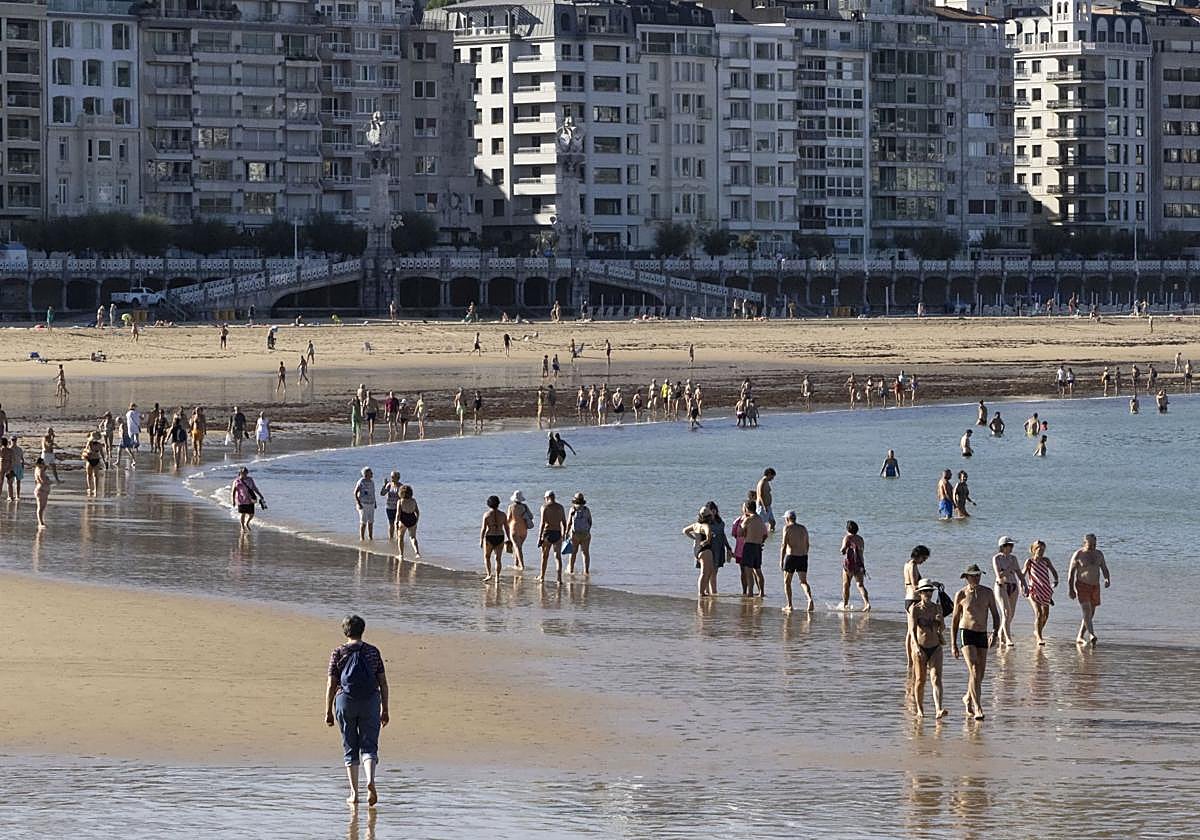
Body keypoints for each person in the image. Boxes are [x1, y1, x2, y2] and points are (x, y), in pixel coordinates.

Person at [325, 615, 389, 808]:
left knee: (350, 746)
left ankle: (354, 793)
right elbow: (383, 683)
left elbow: (331, 684)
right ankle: (370, 780)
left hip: (345, 701)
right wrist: (385, 708)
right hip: (370, 701)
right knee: (369, 746)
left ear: (345, 631)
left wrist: (328, 710)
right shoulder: (372, 651)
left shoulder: (338, 652)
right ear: (363, 630)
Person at [951, 563, 999, 721]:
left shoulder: (987, 592)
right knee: (973, 669)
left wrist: (995, 632)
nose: (976, 578)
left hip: (982, 634)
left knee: (980, 674)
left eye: (978, 575)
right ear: (966, 577)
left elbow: (995, 614)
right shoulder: (961, 594)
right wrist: (953, 644)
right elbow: (955, 620)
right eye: (973, 575)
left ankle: (967, 697)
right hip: (967, 633)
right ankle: (978, 707)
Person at [908, 579, 948, 719]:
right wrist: (916, 647)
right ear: (920, 593)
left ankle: (938, 709)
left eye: (930, 591)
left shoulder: (937, 608)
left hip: (935, 646)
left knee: (936, 678)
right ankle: (920, 709)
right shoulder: (916, 609)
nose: (928, 594)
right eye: (925, 591)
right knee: (920, 680)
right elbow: (912, 631)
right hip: (920, 648)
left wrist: (940, 622)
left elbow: (942, 628)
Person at [1067, 533, 1111, 645]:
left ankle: (1080, 636)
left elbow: (1104, 568)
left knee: (1090, 613)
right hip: (1082, 585)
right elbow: (1071, 574)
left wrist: (1107, 579)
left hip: (1095, 586)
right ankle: (1092, 634)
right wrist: (1071, 589)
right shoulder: (1078, 554)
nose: (1092, 546)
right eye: (1090, 544)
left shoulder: (1099, 554)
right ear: (1084, 543)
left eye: (1094, 544)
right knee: (1086, 610)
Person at [1022, 540, 1060, 645]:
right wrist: (1023, 585)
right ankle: (1039, 637)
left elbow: (1054, 571)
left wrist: (1056, 580)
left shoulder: (1046, 560)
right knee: (1038, 613)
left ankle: (1037, 631)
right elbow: (1022, 573)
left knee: (1046, 615)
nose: (1041, 551)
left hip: (1045, 590)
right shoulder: (1029, 561)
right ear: (1033, 550)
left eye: (1043, 549)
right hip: (1033, 590)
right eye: (1038, 548)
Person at [992, 536, 1026, 647]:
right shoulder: (997, 558)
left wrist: (1025, 585)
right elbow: (999, 575)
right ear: (1003, 546)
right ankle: (1008, 639)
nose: (1012, 547)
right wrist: (1009, 569)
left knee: (1011, 614)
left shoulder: (1013, 558)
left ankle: (1001, 633)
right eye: (1010, 545)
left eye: (1012, 545)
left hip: (1013, 586)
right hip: (1001, 586)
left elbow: (1019, 573)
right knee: (1006, 612)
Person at [779, 511, 812, 613]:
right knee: (803, 581)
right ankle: (809, 599)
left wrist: (781, 560)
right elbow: (807, 544)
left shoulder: (787, 528)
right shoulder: (803, 528)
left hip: (791, 557)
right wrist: (804, 554)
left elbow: (783, 545)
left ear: (788, 519)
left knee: (787, 582)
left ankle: (789, 605)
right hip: (802, 557)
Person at [684, 507, 717, 599]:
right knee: (704, 572)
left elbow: (685, 531)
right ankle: (701, 592)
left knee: (709, 571)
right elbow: (709, 533)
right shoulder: (705, 525)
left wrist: (694, 538)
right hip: (705, 550)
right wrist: (707, 540)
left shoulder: (695, 525)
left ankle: (703, 591)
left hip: (697, 550)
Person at [738, 501, 768, 597]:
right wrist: (761, 541)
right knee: (758, 570)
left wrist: (742, 520)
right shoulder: (760, 519)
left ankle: (750, 592)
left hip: (749, 546)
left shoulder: (748, 519)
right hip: (758, 546)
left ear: (746, 509)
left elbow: (740, 533)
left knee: (748, 570)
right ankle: (761, 592)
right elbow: (765, 534)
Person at [839, 520, 870, 611]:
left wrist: (844, 548)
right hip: (859, 564)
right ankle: (867, 603)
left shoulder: (847, 538)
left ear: (847, 529)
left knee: (846, 585)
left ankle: (845, 605)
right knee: (860, 585)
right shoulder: (861, 539)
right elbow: (861, 551)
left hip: (849, 565)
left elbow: (843, 551)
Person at [537, 490, 567, 583]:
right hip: (557, 532)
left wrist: (539, 537)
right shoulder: (560, 507)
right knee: (557, 556)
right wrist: (564, 534)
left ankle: (542, 577)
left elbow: (542, 523)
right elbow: (564, 522)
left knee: (544, 556)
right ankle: (559, 579)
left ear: (547, 498)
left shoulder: (544, 507)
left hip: (547, 532)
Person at [479, 494, 510, 580]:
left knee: (487, 556)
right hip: (500, 536)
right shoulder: (503, 515)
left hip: (490, 537)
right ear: (498, 504)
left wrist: (481, 540)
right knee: (498, 558)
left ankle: (489, 574)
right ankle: (497, 577)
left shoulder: (486, 515)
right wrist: (509, 538)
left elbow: (483, 529)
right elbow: (507, 528)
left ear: (488, 504)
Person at [565, 492, 593, 575]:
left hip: (575, 534)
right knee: (585, 553)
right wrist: (587, 530)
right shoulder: (586, 509)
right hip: (585, 534)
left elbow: (569, 522)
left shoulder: (573, 509)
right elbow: (590, 521)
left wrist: (566, 533)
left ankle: (571, 570)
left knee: (573, 553)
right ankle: (586, 571)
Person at [231, 467, 266, 531]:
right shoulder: (236, 481)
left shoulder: (250, 479)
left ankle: (247, 523)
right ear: (240, 472)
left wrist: (260, 495)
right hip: (241, 500)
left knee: (251, 514)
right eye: (244, 472)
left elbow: (254, 488)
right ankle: (242, 526)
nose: (245, 473)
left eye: (246, 472)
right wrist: (233, 500)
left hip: (250, 500)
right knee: (243, 513)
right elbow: (233, 491)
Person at [506, 490, 534, 571]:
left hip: (514, 528)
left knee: (518, 548)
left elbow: (508, 519)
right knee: (518, 547)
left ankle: (522, 566)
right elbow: (531, 516)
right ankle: (516, 564)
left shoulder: (511, 507)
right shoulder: (525, 506)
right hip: (523, 529)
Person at [353, 467, 377, 540]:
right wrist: (358, 503)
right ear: (366, 474)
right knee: (363, 522)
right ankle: (362, 537)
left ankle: (370, 537)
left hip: (371, 503)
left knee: (371, 521)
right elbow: (355, 493)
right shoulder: (361, 481)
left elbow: (373, 493)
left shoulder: (372, 482)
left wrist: (375, 502)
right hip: (363, 504)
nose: (372, 474)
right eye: (370, 472)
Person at [380, 471, 403, 540]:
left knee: (397, 524)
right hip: (389, 507)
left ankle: (398, 538)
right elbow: (382, 493)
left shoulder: (401, 486)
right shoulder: (389, 485)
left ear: (398, 478)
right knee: (391, 524)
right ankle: (391, 538)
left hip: (397, 508)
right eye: (391, 477)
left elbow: (403, 497)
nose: (392, 478)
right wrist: (384, 485)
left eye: (393, 477)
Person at [80, 432, 104, 497]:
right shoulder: (89, 443)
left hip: (97, 460)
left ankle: (96, 489)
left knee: (96, 475)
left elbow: (102, 453)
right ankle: (90, 487)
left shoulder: (99, 445)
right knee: (89, 475)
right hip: (89, 460)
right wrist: (88, 451)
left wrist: (104, 461)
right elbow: (85, 450)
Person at [755, 468, 777, 533]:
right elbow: (760, 495)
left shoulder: (766, 482)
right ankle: (759, 535)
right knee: (760, 523)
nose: (773, 478)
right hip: (762, 506)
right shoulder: (762, 482)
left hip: (768, 506)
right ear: (769, 474)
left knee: (772, 522)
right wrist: (764, 507)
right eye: (772, 477)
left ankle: (770, 535)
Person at [33, 456, 51, 528]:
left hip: (44, 491)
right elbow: (43, 481)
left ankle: (41, 522)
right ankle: (40, 523)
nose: (44, 465)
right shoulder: (39, 470)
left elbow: (46, 467)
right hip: (41, 491)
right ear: (40, 464)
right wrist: (50, 481)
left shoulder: (40, 469)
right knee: (40, 507)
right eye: (43, 463)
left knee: (42, 507)